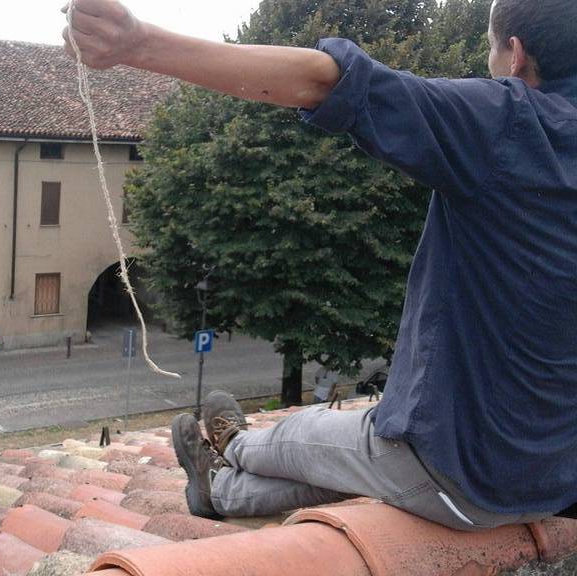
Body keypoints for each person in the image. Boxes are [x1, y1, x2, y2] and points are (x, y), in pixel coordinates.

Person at [63, 0, 577, 531]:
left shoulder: (511, 122)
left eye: (489, 48)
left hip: (463, 473)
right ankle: (218, 489)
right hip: (552, 483)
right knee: (348, 464)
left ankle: (234, 445)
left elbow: (330, 82)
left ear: (515, 56)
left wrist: (136, 43)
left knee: (301, 437)